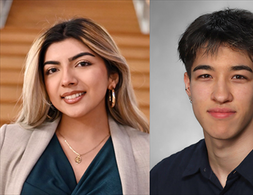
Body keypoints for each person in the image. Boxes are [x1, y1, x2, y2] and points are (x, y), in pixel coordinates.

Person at [151, 8, 253, 194]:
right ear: (188, 85)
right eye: (206, 75)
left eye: (238, 77)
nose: (221, 96)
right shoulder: (160, 179)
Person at [0, 18, 149, 194]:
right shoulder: (6, 142)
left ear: (112, 77)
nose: (67, 80)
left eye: (82, 64)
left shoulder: (146, 152)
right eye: (52, 70)